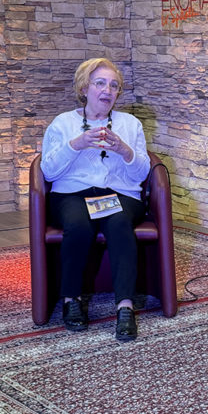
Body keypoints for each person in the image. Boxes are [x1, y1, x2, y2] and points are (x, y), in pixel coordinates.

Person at [41, 58, 151, 342]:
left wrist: (125, 150)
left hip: (120, 193)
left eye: (114, 85)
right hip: (71, 194)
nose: (107, 90)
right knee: (78, 224)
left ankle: (125, 307)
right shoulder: (63, 123)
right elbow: (48, 171)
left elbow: (141, 174)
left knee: (119, 223)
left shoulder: (130, 124)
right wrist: (76, 144)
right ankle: (71, 299)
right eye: (100, 83)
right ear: (84, 88)